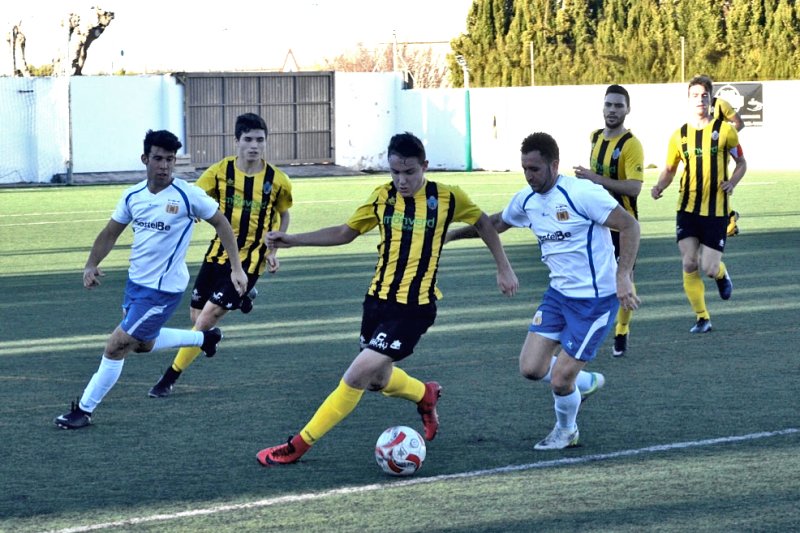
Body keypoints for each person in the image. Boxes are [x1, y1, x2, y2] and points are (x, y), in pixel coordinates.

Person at [255, 132, 518, 466]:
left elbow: (484, 224)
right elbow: (344, 233)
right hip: (377, 301)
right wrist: (292, 239)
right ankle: (425, 394)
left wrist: (503, 268)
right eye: (395, 172)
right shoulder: (382, 197)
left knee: (355, 377)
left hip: (415, 307)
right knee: (378, 380)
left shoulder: (448, 197)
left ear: (425, 166)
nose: (401, 179)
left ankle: (296, 446)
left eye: (409, 172)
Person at [447, 132, 640, 450]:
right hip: (558, 296)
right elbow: (494, 223)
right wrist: (452, 235)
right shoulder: (526, 201)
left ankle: (567, 431)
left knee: (562, 379)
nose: (529, 175)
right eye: (525, 168)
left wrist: (623, 276)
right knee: (531, 368)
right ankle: (585, 381)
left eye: (535, 168)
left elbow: (630, 224)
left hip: (595, 300)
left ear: (554, 164)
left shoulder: (582, 194)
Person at [54, 130, 248, 429]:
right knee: (142, 345)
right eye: (158, 158)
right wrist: (91, 264)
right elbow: (110, 233)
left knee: (116, 345)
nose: (164, 165)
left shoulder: (187, 195)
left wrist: (236, 268)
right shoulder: (133, 196)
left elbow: (221, 223)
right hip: (136, 284)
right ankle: (205, 338)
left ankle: (84, 409)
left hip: (163, 290)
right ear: (145, 159)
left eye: (170, 159)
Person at [148, 113, 293, 397]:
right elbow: (193, 198)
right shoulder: (218, 172)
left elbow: (283, 215)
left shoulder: (278, 180)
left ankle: (168, 378)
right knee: (196, 315)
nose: (254, 145)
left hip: (250, 260)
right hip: (218, 253)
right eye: (248, 139)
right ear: (236, 140)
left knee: (207, 318)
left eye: (260, 140)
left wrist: (274, 249)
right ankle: (236, 307)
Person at [651, 74, 747, 334]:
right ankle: (702, 317)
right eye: (694, 95)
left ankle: (721, 273)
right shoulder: (678, 136)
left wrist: (733, 183)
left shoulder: (725, 131)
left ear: (710, 98)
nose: (699, 99)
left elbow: (741, 163)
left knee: (708, 267)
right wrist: (660, 186)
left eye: (704, 95)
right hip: (687, 209)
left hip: (716, 211)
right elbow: (670, 169)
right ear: (689, 99)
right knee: (689, 262)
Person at [573, 84, 644, 357]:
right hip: (596, 224)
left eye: (618, 105)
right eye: (609, 105)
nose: (612, 110)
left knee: (623, 277)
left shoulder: (631, 144)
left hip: (623, 224)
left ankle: (621, 332)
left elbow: (634, 188)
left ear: (628, 109)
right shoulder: (595, 137)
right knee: (590, 276)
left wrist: (595, 178)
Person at [712, 94, 745, 237]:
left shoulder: (721, 104)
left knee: (718, 183)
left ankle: (729, 218)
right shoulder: (696, 106)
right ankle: (730, 215)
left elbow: (739, 123)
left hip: (720, 151)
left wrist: (724, 139)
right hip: (704, 151)